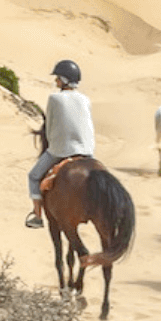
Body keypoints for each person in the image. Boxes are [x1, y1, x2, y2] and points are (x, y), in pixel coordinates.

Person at [25, 60, 94, 227]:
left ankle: (37, 216)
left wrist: (51, 144)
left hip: (61, 150)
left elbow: (49, 128)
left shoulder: (54, 98)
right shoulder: (86, 99)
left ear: (64, 80)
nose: (56, 81)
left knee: (33, 176)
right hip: (87, 151)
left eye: (57, 78)